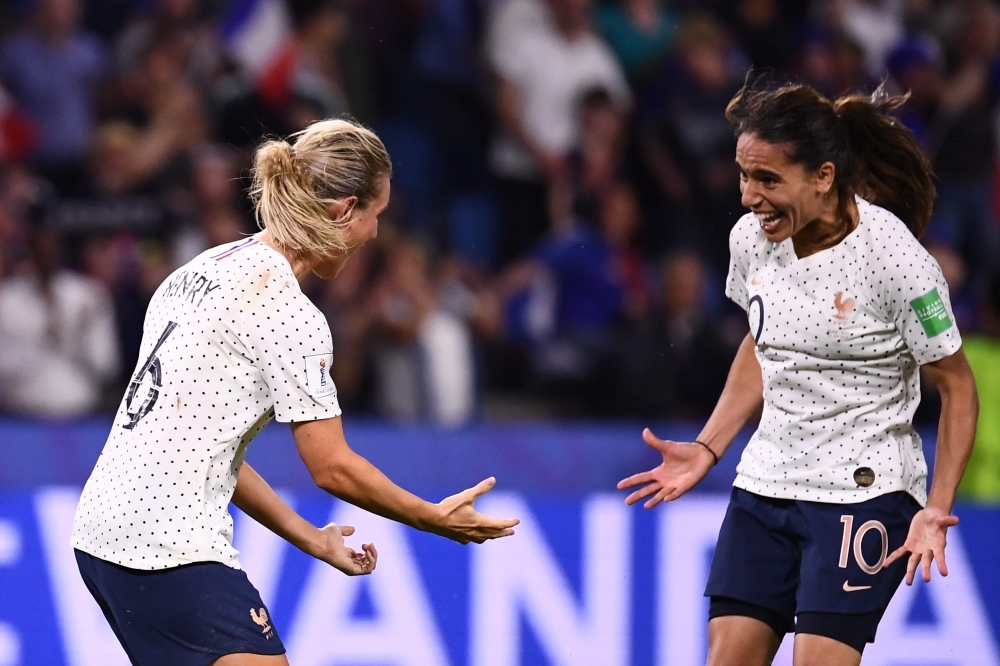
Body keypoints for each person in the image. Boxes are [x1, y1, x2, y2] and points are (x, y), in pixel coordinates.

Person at [71, 118, 519, 666]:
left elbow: (203, 447)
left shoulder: (202, 268)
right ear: (343, 210)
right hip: (166, 546)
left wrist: (309, 537)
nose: (376, 233)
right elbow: (332, 467)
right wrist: (430, 516)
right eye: (376, 215)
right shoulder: (288, 313)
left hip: (102, 534)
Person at [618, 81, 979, 665]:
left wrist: (935, 506)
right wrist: (710, 447)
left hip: (864, 493)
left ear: (823, 177)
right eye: (743, 176)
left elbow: (958, 385)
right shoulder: (751, 242)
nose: (748, 197)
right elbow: (764, 344)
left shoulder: (897, 259)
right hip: (766, 484)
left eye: (767, 180)